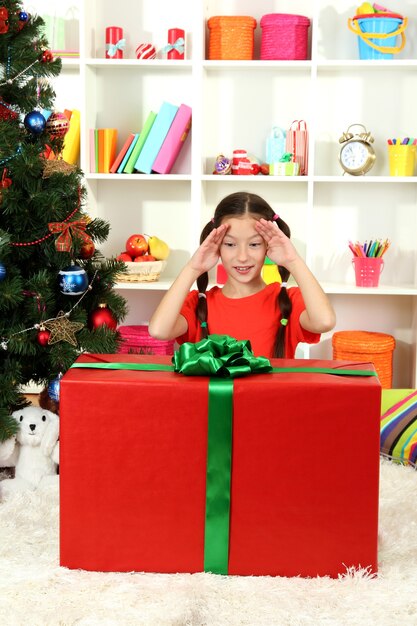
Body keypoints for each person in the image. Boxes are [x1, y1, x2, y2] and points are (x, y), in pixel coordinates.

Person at [148, 191, 336, 358]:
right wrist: (193, 268)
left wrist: (293, 261)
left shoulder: (287, 301)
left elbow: (324, 322)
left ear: (268, 246)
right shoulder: (199, 303)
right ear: (217, 246)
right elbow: (159, 330)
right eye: (230, 244)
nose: (243, 257)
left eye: (254, 244)